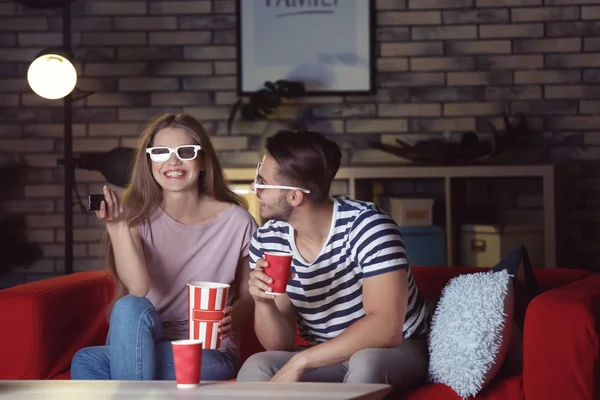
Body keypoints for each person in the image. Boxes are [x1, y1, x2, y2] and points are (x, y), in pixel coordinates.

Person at [236, 129, 429, 394]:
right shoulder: (269, 239)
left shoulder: (368, 227)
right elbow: (277, 345)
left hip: (397, 350)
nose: (253, 189)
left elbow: (386, 328)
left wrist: (302, 360)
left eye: (262, 183)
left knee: (366, 362)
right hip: (328, 355)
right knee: (257, 365)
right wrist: (263, 301)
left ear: (294, 196)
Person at [71, 113, 257, 381]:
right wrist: (117, 226)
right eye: (160, 152)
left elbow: (248, 297)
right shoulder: (136, 217)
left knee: (89, 361)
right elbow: (137, 288)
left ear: (203, 161)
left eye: (185, 151)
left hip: (208, 349)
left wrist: (233, 316)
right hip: (145, 335)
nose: (173, 161)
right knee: (127, 307)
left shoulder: (237, 221)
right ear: (149, 162)